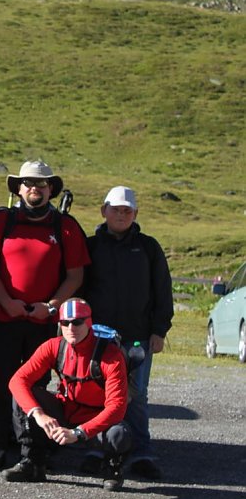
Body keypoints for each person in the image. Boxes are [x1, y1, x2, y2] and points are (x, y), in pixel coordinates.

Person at [0, 160, 90, 470]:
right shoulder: (1, 221)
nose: (34, 188)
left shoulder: (65, 226)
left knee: (37, 384)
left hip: (44, 321)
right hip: (6, 318)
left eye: (41, 183)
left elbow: (75, 276)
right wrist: (6, 301)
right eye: (28, 183)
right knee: (2, 381)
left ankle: (33, 447)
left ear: (50, 188)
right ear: (18, 188)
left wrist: (51, 306)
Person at [82, 186, 173, 480]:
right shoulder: (90, 247)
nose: (121, 215)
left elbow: (162, 290)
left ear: (135, 214)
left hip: (139, 336)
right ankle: (97, 450)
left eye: (127, 210)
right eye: (116, 209)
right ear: (103, 211)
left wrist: (159, 330)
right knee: (97, 392)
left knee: (136, 396)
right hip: (97, 337)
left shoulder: (148, 247)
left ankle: (141, 453)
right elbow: (79, 288)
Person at [4, 298, 132, 492]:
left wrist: (79, 433)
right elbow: (17, 380)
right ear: (59, 325)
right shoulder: (54, 346)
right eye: (65, 322)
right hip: (65, 413)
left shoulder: (111, 355)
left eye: (77, 322)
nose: (71, 327)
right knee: (24, 398)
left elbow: (117, 408)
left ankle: (112, 468)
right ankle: (33, 462)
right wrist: (39, 414)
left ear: (89, 323)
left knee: (119, 433)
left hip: (97, 422)